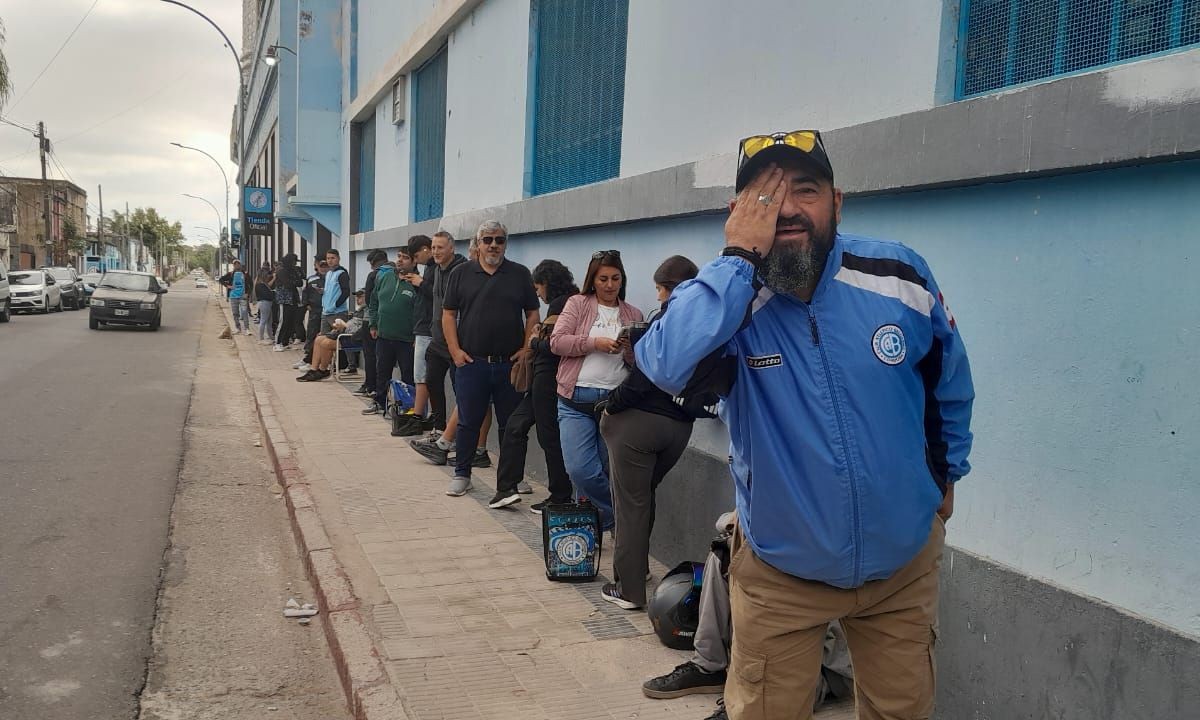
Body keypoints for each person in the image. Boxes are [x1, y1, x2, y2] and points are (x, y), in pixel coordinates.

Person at [636, 129, 974, 720]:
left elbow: (949, 382)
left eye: (806, 191)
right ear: (738, 213)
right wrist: (738, 258)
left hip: (902, 567)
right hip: (780, 575)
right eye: (764, 197)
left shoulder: (898, 277)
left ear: (837, 203)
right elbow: (661, 362)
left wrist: (946, 475)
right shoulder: (731, 301)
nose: (787, 209)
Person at [642, 513, 854, 720]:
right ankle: (708, 666)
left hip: (822, 663)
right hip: (790, 569)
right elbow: (730, 520)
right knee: (724, 555)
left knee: (772, 577)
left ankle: (746, 697)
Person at [596, 255, 712, 610]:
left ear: (668, 288)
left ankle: (629, 590)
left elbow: (643, 379)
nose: (659, 297)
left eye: (660, 290)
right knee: (643, 498)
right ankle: (638, 569)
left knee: (630, 506)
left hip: (638, 424)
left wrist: (608, 405)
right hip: (679, 427)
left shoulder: (668, 320)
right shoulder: (710, 322)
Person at [439, 221, 539, 497]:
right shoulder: (461, 273)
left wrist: (526, 348)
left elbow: (532, 313)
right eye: (488, 240)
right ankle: (462, 473)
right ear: (478, 243)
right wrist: (455, 351)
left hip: (510, 365)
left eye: (500, 239)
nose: (494, 245)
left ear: (506, 243)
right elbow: (448, 314)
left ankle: (513, 478)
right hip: (473, 363)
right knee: (468, 421)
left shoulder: (519, 274)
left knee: (512, 426)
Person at [549, 250, 642, 531]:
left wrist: (628, 350)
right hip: (574, 400)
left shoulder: (632, 313)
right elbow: (557, 342)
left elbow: (639, 363)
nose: (610, 285)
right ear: (593, 279)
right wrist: (595, 343)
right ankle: (621, 516)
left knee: (603, 472)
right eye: (603, 278)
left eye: (615, 278)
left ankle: (588, 534)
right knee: (580, 469)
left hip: (613, 404)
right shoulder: (577, 304)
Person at [487, 259, 578, 511]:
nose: (537, 293)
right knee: (516, 426)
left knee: (546, 436)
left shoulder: (561, 305)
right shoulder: (572, 300)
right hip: (548, 379)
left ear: (547, 283)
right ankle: (507, 488)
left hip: (548, 379)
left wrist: (536, 340)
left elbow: (554, 346)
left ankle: (559, 496)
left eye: (538, 287)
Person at [364, 248, 417, 415]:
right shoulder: (385, 277)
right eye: (399, 256)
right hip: (384, 336)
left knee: (408, 374)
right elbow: (373, 302)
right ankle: (380, 402)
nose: (400, 260)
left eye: (405, 258)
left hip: (407, 339)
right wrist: (373, 324)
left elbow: (421, 312)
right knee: (382, 371)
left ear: (414, 261)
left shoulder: (417, 283)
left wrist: (416, 335)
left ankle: (408, 409)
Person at [404, 235, 436, 428]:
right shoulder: (430, 269)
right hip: (422, 326)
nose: (417, 261)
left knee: (421, 375)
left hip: (428, 329)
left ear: (426, 249)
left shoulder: (436, 269)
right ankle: (425, 414)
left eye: (416, 256)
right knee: (423, 376)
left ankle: (419, 416)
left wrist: (421, 283)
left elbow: (439, 296)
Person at [321, 249, 355, 374]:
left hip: (338, 312)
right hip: (326, 311)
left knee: (343, 339)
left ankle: (351, 365)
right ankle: (326, 365)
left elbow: (346, 292)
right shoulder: (329, 273)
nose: (330, 260)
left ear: (338, 258)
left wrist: (335, 305)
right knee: (324, 339)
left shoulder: (342, 273)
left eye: (333, 258)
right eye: (328, 258)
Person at [296, 258, 328, 372]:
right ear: (317, 267)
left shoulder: (330, 278)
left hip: (326, 310)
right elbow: (305, 293)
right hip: (314, 310)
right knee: (312, 333)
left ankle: (319, 361)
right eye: (321, 266)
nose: (323, 268)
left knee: (323, 336)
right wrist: (306, 304)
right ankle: (308, 358)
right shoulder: (311, 279)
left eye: (325, 266)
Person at [273, 253, 305, 351]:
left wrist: (294, 281)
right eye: (294, 262)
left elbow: (300, 282)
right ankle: (278, 342)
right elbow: (288, 284)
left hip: (293, 298)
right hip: (284, 299)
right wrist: (294, 281)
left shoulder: (294, 271)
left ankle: (285, 342)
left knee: (291, 321)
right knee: (283, 321)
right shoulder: (281, 271)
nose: (295, 264)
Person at [220, 260, 252, 335]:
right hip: (233, 296)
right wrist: (228, 286)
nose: (237, 266)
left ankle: (247, 329)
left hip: (243, 296)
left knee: (244, 313)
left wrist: (248, 293)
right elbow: (221, 279)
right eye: (235, 264)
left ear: (241, 265)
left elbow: (251, 284)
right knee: (235, 313)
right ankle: (238, 328)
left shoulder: (246, 274)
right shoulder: (230, 274)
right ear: (233, 266)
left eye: (238, 264)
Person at [254, 270, 276, 343]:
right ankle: (261, 337)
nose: (268, 277)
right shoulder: (260, 285)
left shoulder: (262, 284)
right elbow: (266, 295)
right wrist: (273, 293)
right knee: (263, 320)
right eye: (266, 275)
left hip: (266, 303)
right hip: (265, 303)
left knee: (269, 320)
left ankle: (270, 336)